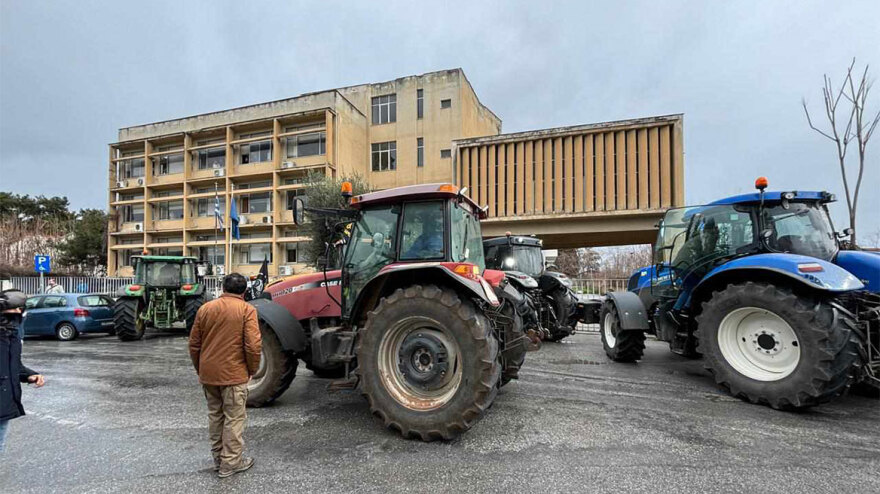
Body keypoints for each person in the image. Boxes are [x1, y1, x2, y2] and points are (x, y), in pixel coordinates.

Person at [188, 273, 261, 478]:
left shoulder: (205, 309)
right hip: (234, 374)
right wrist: (252, 370)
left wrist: (200, 368)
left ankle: (219, 459)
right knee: (234, 418)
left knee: (216, 416)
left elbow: (194, 344)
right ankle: (231, 464)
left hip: (209, 374)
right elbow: (253, 346)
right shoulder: (247, 310)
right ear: (245, 291)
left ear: (222, 288)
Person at [1, 289, 46, 453]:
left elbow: (13, 366)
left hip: (4, 401)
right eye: (15, 308)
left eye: (21, 309)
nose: (19, 313)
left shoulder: (12, 336)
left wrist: (29, 375)